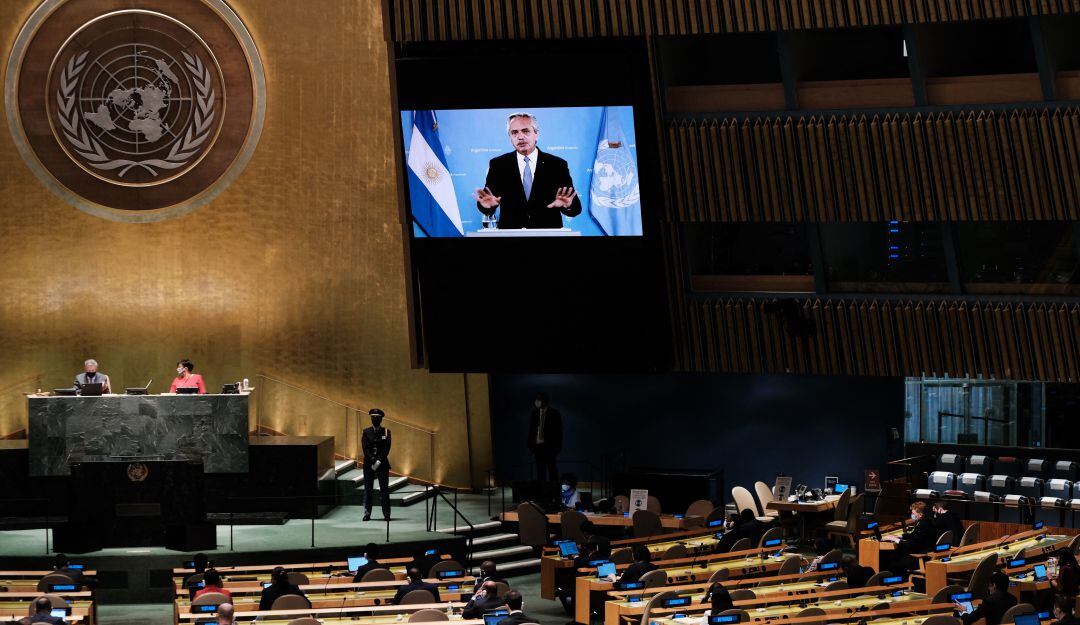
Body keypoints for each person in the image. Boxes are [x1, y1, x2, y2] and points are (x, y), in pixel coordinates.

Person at [473, 112, 582, 230]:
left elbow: (575, 208)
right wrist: (487, 206)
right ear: (510, 137)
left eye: (525, 131)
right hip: (510, 234)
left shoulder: (557, 165)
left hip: (548, 233)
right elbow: (488, 201)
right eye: (514, 132)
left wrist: (568, 205)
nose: (520, 137)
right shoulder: (499, 164)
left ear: (536, 134)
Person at [886, 501, 936, 572]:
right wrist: (900, 536)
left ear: (920, 514)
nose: (911, 515)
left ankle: (897, 581)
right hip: (923, 552)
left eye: (913, 513)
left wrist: (896, 540)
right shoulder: (927, 521)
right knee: (896, 555)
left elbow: (911, 545)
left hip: (920, 558)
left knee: (893, 563)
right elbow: (914, 535)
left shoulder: (923, 525)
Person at [361, 408, 392, 521]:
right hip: (369, 464)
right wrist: (373, 460)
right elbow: (365, 448)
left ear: (381, 419)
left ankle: (386, 514)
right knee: (368, 490)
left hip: (382, 464)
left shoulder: (386, 432)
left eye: (377, 418)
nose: (375, 419)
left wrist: (378, 461)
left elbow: (386, 448)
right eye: (373, 417)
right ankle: (367, 514)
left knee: (384, 490)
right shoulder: (366, 431)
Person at [526, 392, 562, 482]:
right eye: (537, 399)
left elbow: (559, 431)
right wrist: (530, 445)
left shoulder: (554, 413)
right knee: (540, 472)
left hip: (550, 447)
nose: (537, 401)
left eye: (539, 399)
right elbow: (531, 430)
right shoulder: (534, 413)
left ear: (545, 400)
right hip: (538, 447)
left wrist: (557, 447)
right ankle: (542, 493)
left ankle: (554, 492)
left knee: (552, 470)